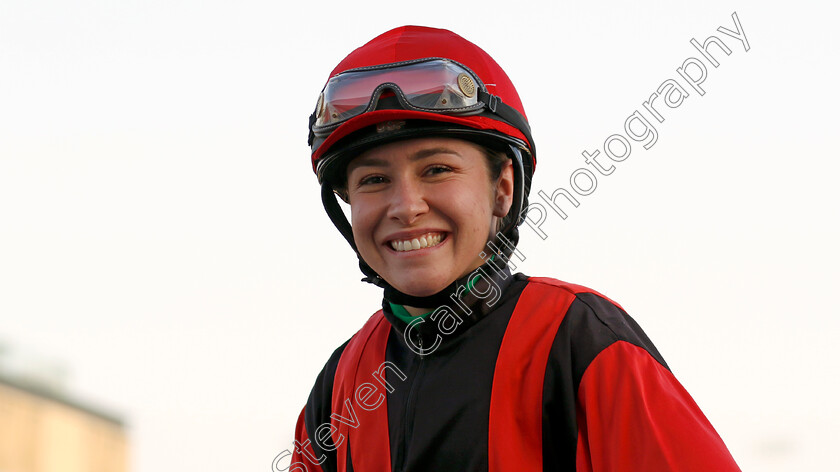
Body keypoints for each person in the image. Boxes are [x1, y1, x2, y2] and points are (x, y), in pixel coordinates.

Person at [290, 26, 740, 471]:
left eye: (437, 169)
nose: (406, 206)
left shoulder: (579, 339)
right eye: (373, 180)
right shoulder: (341, 385)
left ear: (503, 188)